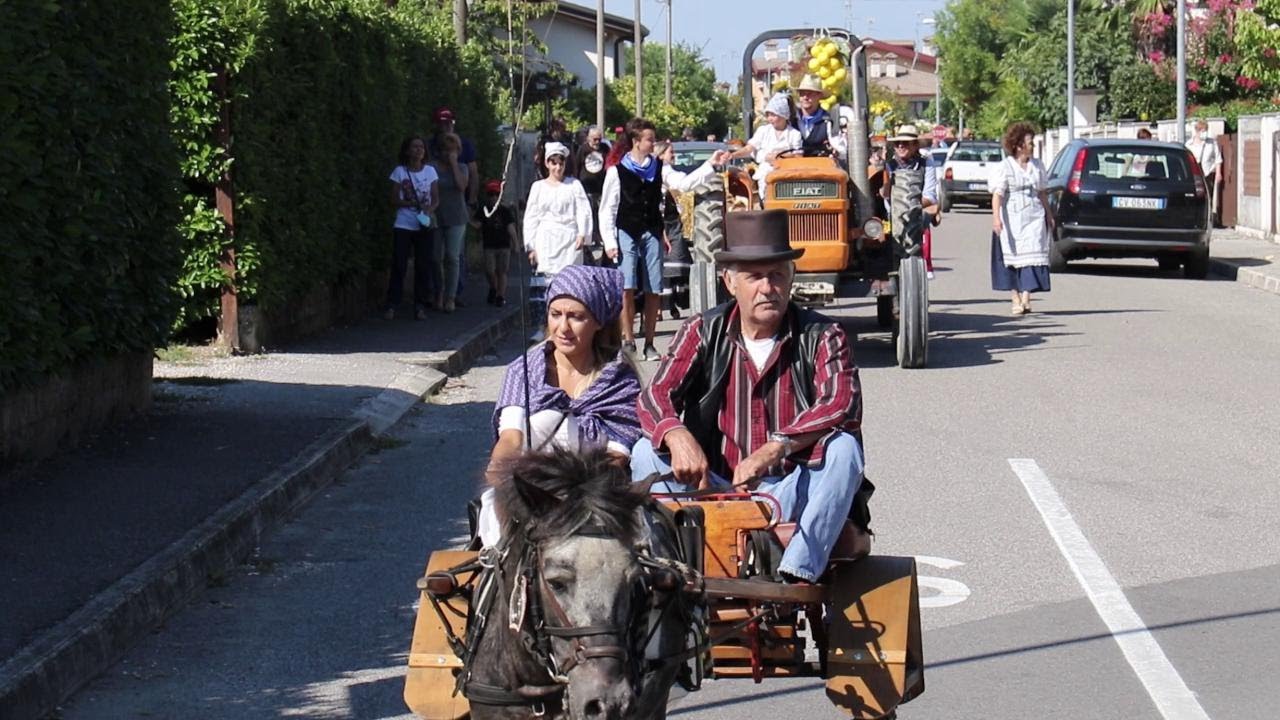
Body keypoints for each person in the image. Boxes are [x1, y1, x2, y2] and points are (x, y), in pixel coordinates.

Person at [632, 209, 865, 585]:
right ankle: (669, 573)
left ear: (791, 279)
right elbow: (654, 395)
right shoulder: (702, 330)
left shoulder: (823, 334)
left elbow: (840, 403)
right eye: (754, 276)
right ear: (729, 282)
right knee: (644, 452)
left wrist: (777, 447)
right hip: (714, 490)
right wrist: (677, 436)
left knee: (844, 449)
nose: (767, 287)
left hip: (792, 491)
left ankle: (796, 572)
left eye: (776, 275)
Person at [478, 265, 641, 545]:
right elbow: (511, 438)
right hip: (532, 493)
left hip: (596, 495)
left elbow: (617, 458)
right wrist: (501, 468)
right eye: (556, 315)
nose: (562, 328)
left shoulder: (620, 379)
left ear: (598, 321)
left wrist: (578, 495)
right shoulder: (525, 371)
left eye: (576, 317)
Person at [599, 117, 730, 361]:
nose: (653, 143)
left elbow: (684, 183)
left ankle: (649, 343)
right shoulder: (616, 172)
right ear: (636, 142)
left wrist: (710, 165)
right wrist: (609, 242)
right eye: (649, 139)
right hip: (626, 229)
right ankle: (628, 340)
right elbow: (607, 208)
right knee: (626, 285)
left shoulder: (660, 168)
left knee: (654, 286)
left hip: (651, 230)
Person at [991, 121, 1054, 316]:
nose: (1033, 146)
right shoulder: (1005, 167)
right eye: (1030, 143)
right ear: (1019, 146)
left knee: (1032, 256)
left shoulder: (1037, 166)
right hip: (1012, 216)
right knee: (1013, 257)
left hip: (1034, 216)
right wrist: (996, 219)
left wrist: (1049, 215)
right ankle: (1015, 297)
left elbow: (1042, 192)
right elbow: (998, 195)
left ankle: (1026, 298)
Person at [384, 135, 439, 321]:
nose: (418, 150)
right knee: (399, 264)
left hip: (423, 225)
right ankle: (392, 304)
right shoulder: (399, 172)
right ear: (407, 151)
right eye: (414, 147)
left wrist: (429, 210)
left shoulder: (430, 172)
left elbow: (435, 198)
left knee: (423, 266)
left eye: (421, 147)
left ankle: (420, 305)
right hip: (403, 224)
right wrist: (407, 203)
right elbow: (392, 199)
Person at [523, 141, 593, 276]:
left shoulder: (574, 185)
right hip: (546, 240)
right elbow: (531, 217)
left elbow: (583, 210)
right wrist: (531, 246)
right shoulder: (538, 187)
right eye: (554, 163)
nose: (558, 167)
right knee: (548, 280)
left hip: (570, 241)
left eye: (561, 163)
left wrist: (582, 233)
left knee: (570, 280)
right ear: (547, 164)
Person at [725, 93, 801, 201]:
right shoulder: (763, 131)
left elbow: (798, 156)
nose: (770, 119)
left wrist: (780, 157)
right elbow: (749, 148)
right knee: (766, 190)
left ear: (783, 115)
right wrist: (732, 155)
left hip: (788, 172)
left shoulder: (794, 134)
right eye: (768, 115)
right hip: (766, 172)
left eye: (773, 115)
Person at [881, 125, 939, 259]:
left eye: (905, 143)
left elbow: (930, 197)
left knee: (918, 220)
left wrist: (911, 207)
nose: (901, 146)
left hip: (914, 215)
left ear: (915, 145)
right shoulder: (888, 165)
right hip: (887, 214)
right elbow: (883, 194)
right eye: (897, 143)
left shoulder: (925, 164)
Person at [432, 132, 470, 313]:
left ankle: (450, 297)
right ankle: (438, 293)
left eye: (453, 150)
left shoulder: (462, 167)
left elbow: (462, 186)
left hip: (456, 217)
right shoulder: (432, 168)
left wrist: (454, 164)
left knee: (452, 257)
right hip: (436, 217)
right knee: (435, 257)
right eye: (446, 150)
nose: (449, 154)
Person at [655, 140, 693, 320]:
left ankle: (674, 304)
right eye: (671, 152)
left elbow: (680, 184)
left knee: (678, 263)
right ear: (661, 154)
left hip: (673, 223)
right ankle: (661, 307)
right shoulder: (659, 172)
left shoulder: (669, 173)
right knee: (662, 268)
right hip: (661, 224)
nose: (674, 155)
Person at [471, 179, 518, 307]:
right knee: (489, 271)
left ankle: (500, 296)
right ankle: (494, 287)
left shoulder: (505, 211)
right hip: (489, 246)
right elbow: (477, 224)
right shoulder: (483, 210)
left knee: (502, 271)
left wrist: (516, 244)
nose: (493, 197)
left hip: (503, 245)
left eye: (496, 194)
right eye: (491, 194)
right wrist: (468, 219)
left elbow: (511, 228)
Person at [574, 126, 611, 262]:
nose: (597, 142)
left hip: (601, 188)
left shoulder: (605, 149)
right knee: (589, 214)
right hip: (586, 188)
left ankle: (600, 237)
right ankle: (591, 237)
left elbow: (609, 164)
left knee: (601, 214)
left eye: (599, 139)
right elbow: (577, 166)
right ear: (588, 138)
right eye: (595, 139)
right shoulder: (582, 150)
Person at [794, 75, 847, 159]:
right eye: (802, 93)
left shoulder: (829, 120)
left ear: (819, 96)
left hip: (821, 169)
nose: (805, 97)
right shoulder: (792, 120)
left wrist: (836, 153)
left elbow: (841, 150)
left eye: (810, 94)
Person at [1187, 119, 1222, 227]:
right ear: (1197, 131)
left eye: (1206, 130)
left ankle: (1207, 220)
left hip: (1207, 173)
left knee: (1208, 197)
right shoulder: (1189, 144)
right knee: (1196, 197)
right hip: (1195, 175)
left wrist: (1218, 173)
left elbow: (1218, 159)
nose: (1204, 132)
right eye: (1203, 130)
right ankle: (1196, 219)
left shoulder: (1211, 143)